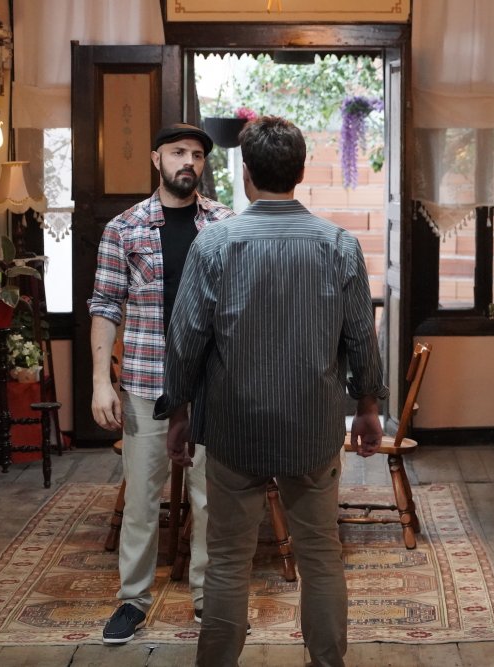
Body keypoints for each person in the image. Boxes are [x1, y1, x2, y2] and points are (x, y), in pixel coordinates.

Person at [155, 115, 387, 667]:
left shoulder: (215, 244)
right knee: (321, 557)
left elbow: (185, 340)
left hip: (233, 426)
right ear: (301, 172)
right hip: (312, 426)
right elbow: (361, 337)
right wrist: (369, 406)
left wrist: (179, 411)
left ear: (246, 174)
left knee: (228, 561)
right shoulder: (338, 245)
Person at [89, 123, 234, 644]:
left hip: (211, 387)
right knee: (141, 502)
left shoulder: (225, 225)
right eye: (177, 152)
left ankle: (208, 599)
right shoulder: (123, 228)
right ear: (156, 159)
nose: (187, 162)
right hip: (146, 382)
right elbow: (105, 304)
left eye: (196, 154)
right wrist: (100, 382)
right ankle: (132, 600)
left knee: (211, 501)